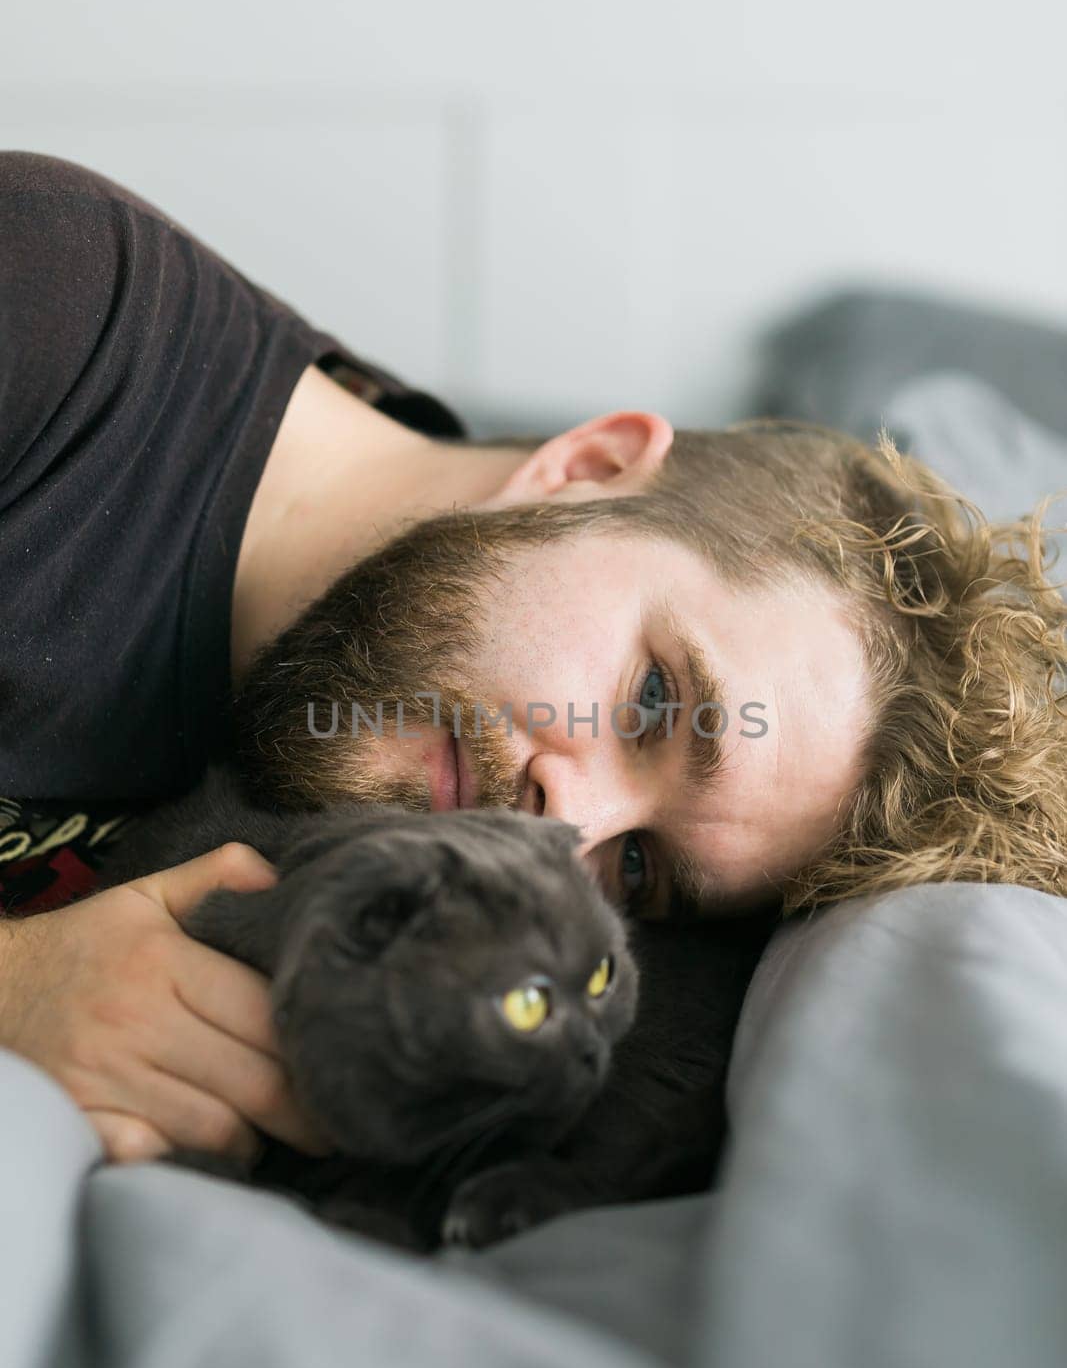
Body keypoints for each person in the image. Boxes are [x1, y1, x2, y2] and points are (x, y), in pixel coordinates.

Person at [2, 152, 1064, 1170]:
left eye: (637, 869)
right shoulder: (52, 321)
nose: (563, 828)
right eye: (654, 699)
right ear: (589, 464)